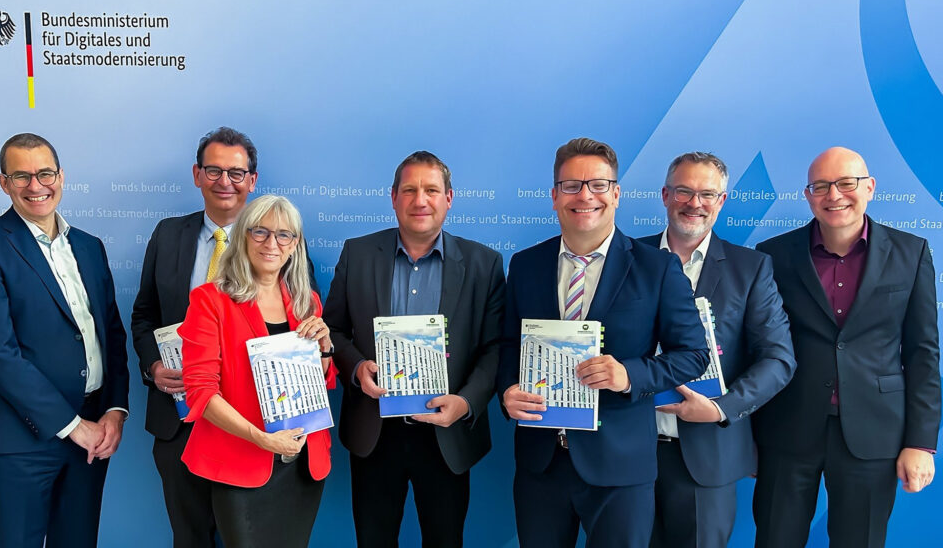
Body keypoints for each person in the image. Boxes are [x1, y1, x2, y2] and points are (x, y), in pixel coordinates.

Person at [497, 137, 709, 548]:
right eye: (571, 185)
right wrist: (507, 389)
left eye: (597, 184)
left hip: (620, 468)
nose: (585, 196)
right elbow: (508, 344)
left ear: (616, 194)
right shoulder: (525, 264)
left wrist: (628, 374)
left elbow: (694, 355)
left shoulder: (657, 268)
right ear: (555, 196)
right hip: (541, 463)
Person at [131, 126, 318, 547]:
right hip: (180, 419)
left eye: (237, 173)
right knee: (191, 536)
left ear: (252, 180)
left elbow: (298, 331)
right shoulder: (167, 235)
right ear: (197, 175)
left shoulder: (284, 247)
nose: (225, 182)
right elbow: (143, 314)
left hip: (255, 428)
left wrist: (320, 345)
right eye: (214, 170)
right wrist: (153, 367)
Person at [753, 146, 941, 547]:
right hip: (788, 428)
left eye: (845, 183)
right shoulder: (773, 256)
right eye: (821, 186)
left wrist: (920, 442)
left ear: (869, 187)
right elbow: (758, 349)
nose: (834, 195)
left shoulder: (911, 253)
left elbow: (922, 353)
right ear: (808, 195)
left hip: (875, 433)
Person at [0, 133, 130, 548]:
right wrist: (72, 428)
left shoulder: (89, 246)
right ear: (4, 183)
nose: (36, 186)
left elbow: (112, 335)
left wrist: (115, 411)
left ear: (61, 176)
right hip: (23, 439)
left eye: (45, 173)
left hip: (93, 434)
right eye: (21, 176)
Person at [323, 151, 505, 548]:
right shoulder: (357, 254)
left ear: (449, 198)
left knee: (445, 541)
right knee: (373, 540)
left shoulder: (483, 264)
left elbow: (495, 348)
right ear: (393, 198)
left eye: (431, 190)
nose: (420, 200)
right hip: (375, 430)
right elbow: (332, 329)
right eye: (409, 189)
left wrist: (467, 402)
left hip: (447, 434)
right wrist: (355, 368)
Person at [636, 152, 796, 548]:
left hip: (708, 455)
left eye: (707, 194)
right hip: (628, 450)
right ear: (665, 195)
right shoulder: (626, 258)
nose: (695, 203)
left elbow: (779, 359)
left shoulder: (751, 268)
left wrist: (722, 408)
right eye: (684, 191)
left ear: (722, 201)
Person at [177, 194, 335, 548]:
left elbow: (321, 383)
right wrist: (262, 438)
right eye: (260, 232)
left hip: (302, 462)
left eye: (284, 235)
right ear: (243, 236)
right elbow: (201, 392)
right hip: (242, 458)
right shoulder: (210, 300)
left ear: (295, 245)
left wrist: (326, 348)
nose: (271, 244)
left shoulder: (306, 301)